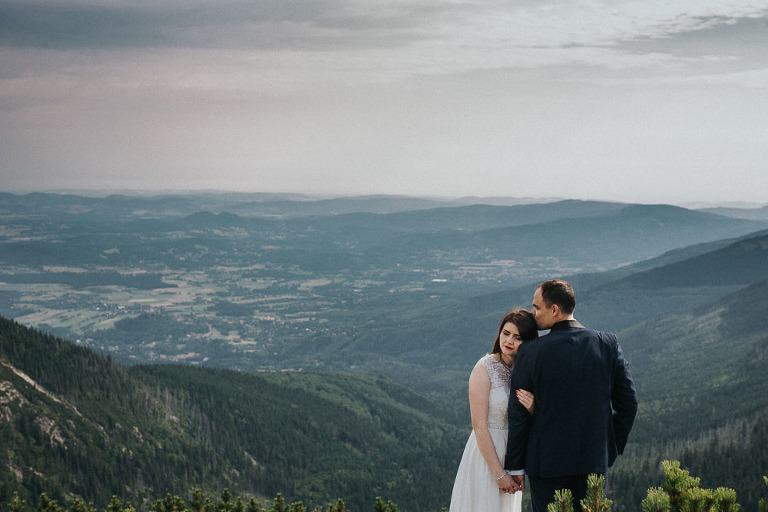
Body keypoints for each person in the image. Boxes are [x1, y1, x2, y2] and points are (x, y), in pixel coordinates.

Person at [502, 280, 638, 512]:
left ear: (554, 310)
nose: (532, 313)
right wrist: (608, 447)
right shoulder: (607, 344)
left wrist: (515, 467)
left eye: (537, 307)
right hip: (593, 462)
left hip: (546, 466)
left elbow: (518, 414)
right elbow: (629, 404)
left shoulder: (531, 351)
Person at [449, 308, 539, 512]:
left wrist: (533, 409)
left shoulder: (526, 371)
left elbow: (531, 423)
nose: (509, 340)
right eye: (506, 333)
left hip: (514, 454)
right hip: (487, 454)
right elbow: (479, 426)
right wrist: (499, 474)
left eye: (517, 337)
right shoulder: (484, 368)